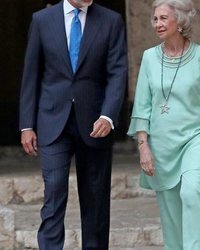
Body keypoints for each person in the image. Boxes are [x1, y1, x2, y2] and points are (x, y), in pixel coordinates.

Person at [127, 0, 200, 249]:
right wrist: (143, 146)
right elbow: (142, 106)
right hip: (162, 143)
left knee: (192, 193)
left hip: (197, 137)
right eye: (155, 19)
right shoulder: (148, 58)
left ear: (180, 21)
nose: (158, 23)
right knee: (171, 212)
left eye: (164, 18)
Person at [19, 0, 127, 249]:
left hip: (96, 123)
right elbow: (31, 73)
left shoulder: (111, 21)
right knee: (54, 193)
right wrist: (27, 125)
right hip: (52, 121)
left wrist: (108, 116)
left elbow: (117, 73)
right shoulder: (42, 20)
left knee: (96, 200)